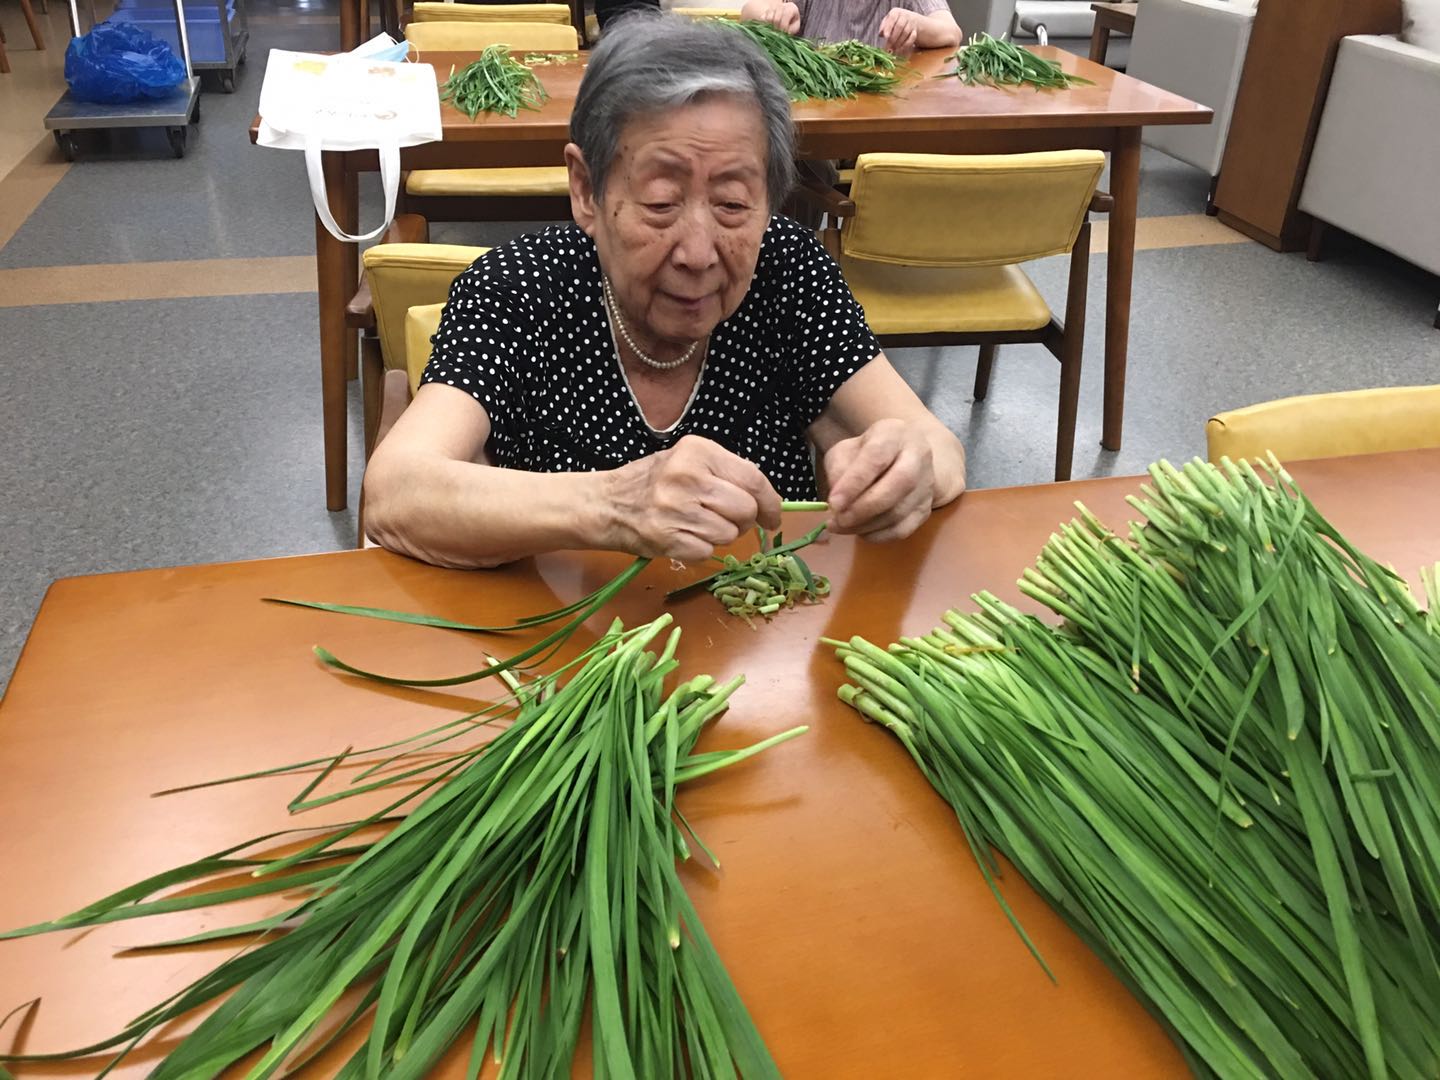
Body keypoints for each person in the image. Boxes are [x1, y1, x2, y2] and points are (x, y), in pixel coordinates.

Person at [363, 13, 966, 570]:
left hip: (761, 629)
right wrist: (612, 505)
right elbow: (395, 491)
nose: (698, 254)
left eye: (733, 204)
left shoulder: (788, 270)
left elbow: (937, 448)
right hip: (568, 637)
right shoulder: (519, 289)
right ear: (587, 190)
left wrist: (907, 468)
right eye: (660, 203)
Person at [738, 0, 961, 52]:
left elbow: (951, 32)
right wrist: (774, 15)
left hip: (882, 104)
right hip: (819, 103)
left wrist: (916, 24)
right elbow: (750, 11)